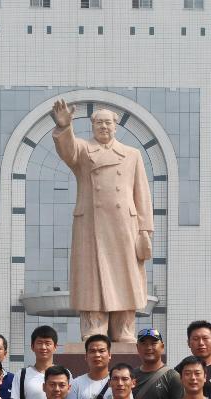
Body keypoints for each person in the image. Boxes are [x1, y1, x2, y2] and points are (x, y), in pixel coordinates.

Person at [51, 99, 153, 342]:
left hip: (125, 226)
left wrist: (145, 230)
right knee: (92, 277)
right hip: (91, 224)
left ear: (116, 126)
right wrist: (64, 127)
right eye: (99, 123)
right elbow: (68, 150)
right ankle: (94, 326)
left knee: (125, 276)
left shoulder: (132, 154)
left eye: (108, 123)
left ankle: (124, 328)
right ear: (92, 126)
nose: (104, 127)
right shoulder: (84, 150)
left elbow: (142, 193)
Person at [133, 328, 183, 399]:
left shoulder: (173, 376)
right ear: (137, 347)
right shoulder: (131, 376)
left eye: (153, 343)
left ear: (162, 346)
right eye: (144, 344)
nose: (148, 347)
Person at [10, 325, 58, 399]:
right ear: (32, 347)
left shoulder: (63, 374)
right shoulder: (21, 374)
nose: (43, 347)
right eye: (39, 343)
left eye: (48, 343)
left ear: (55, 347)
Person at [68, 334, 114, 399]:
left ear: (109, 355)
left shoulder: (118, 381)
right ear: (86, 356)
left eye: (101, 351)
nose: (97, 355)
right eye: (92, 351)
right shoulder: (76, 384)